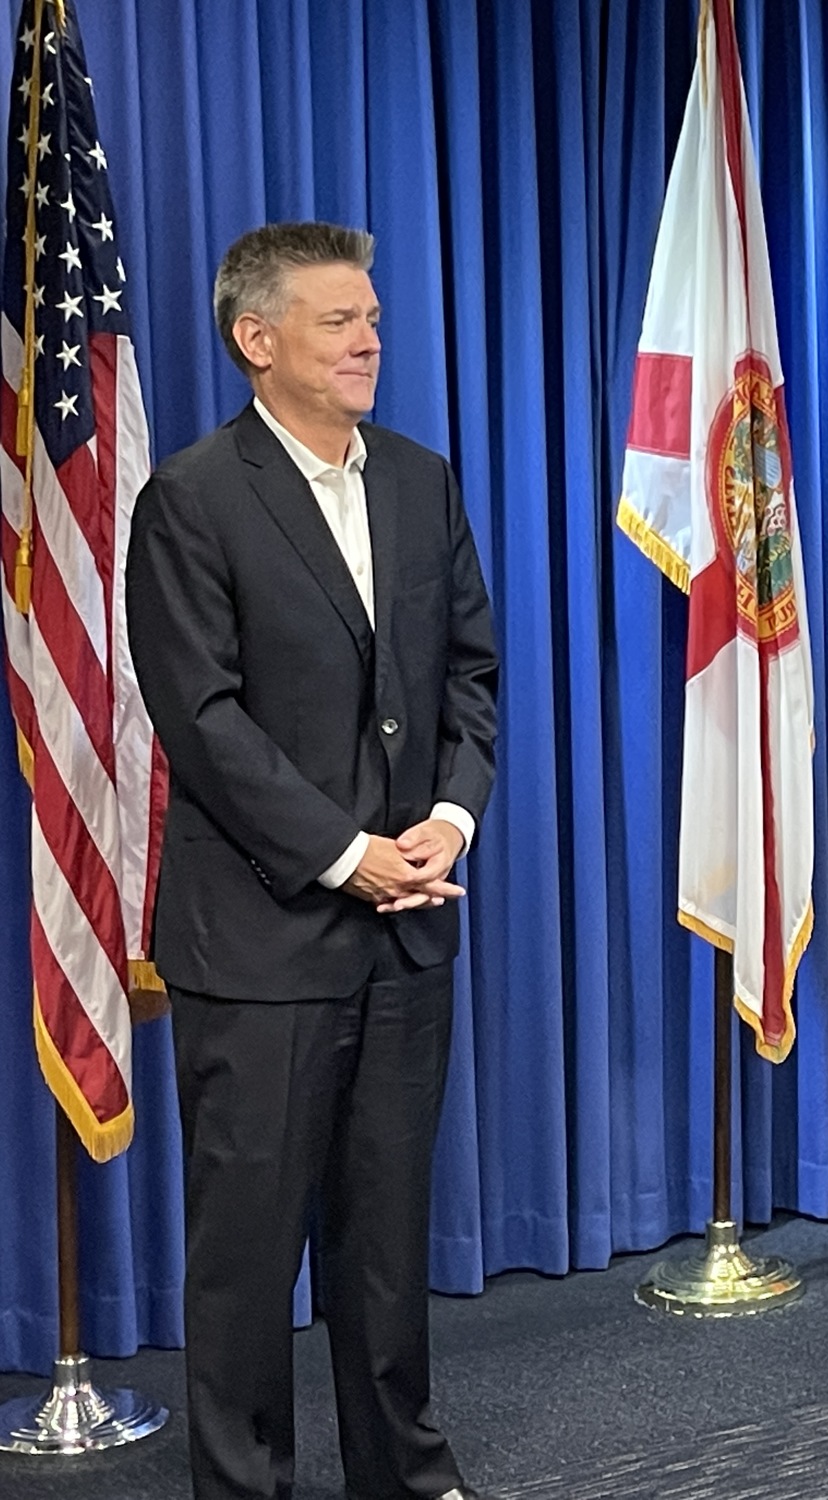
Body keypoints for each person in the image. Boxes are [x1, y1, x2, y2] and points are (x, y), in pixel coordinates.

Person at [126, 222, 498, 1500]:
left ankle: (402, 1472)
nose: (369, 339)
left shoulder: (418, 479)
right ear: (257, 338)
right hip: (263, 941)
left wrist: (448, 823)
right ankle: (244, 1486)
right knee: (246, 1254)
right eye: (340, 320)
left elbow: (472, 681)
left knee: (385, 1243)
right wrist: (347, 855)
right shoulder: (191, 495)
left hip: (413, 923)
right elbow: (202, 720)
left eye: (373, 318)